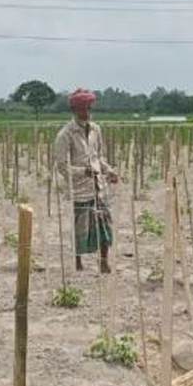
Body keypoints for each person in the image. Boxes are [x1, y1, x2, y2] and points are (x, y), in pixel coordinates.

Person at [54, 88, 119, 274]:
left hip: (99, 186)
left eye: (89, 108)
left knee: (104, 224)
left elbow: (99, 157)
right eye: (83, 109)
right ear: (74, 110)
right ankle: (77, 262)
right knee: (80, 227)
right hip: (80, 190)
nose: (87, 113)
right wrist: (83, 171)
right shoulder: (65, 134)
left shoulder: (96, 130)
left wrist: (109, 171)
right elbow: (62, 167)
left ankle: (104, 261)